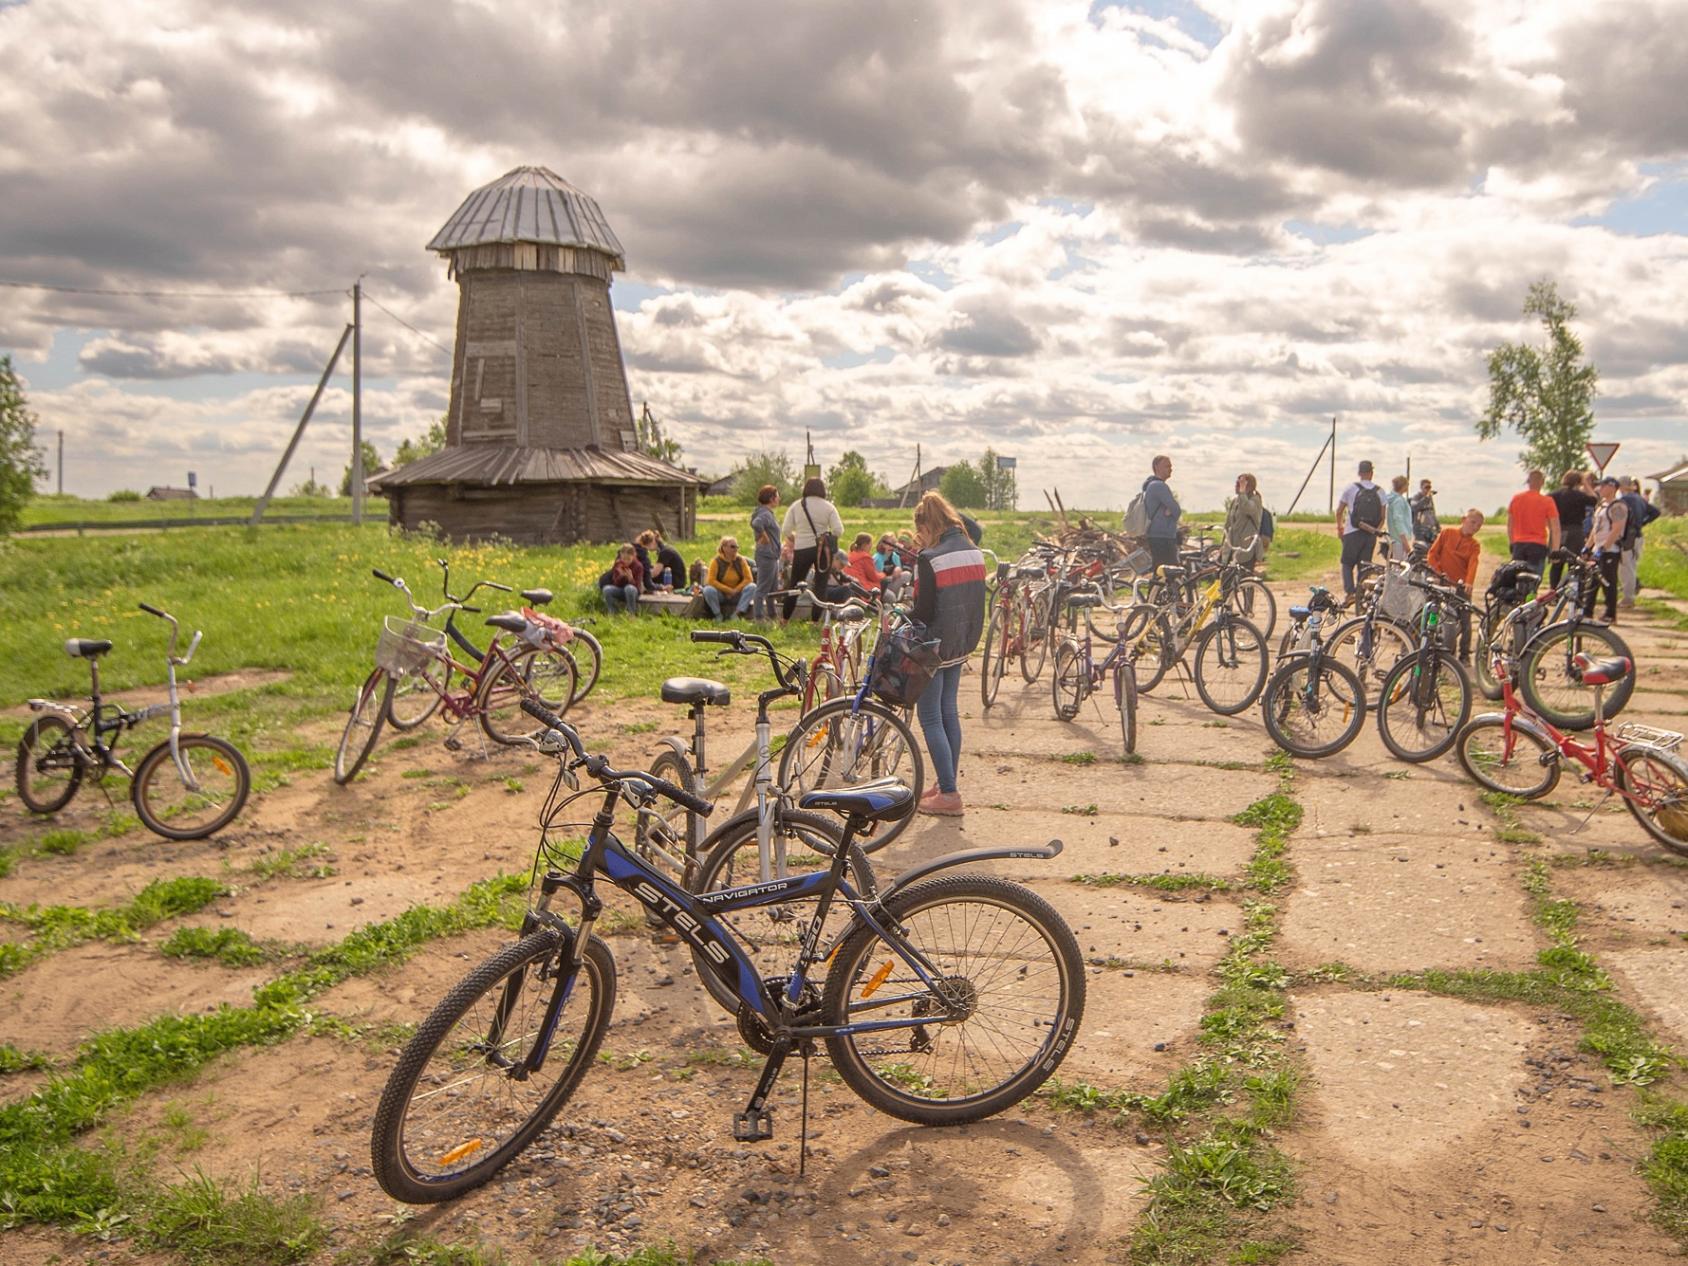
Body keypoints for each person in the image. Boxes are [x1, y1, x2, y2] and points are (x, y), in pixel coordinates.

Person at [909, 492, 986, 816]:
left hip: (935, 644)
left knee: (929, 716)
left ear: (928, 524)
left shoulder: (931, 557)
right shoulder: (973, 551)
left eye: (920, 531)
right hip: (962, 640)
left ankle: (950, 794)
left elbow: (924, 611)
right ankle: (945, 782)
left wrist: (909, 623)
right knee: (949, 712)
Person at [781, 477, 844, 622]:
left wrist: (795, 539)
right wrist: (825, 536)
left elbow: (786, 529)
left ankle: (785, 618)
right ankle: (815, 621)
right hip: (823, 551)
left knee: (795, 584)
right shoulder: (829, 507)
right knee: (821, 585)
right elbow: (838, 530)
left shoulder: (797, 505)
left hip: (802, 548)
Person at [1426, 509, 1485, 659]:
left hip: (1460, 586)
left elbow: (1473, 563)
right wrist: (1438, 573)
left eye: (1478, 526)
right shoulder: (1447, 533)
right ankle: (1439, 650)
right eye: (1473, 522)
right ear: (1463, 519)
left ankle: (1464, 654)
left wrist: (1469, 583)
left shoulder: (1474, 545)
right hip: (1442, 583)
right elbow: (1432, 554)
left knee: (1465, 620)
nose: (1475, 527)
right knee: (1437, 616)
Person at [1335, 460, 1384, 600]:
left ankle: (1350, 592)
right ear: (1371, 473)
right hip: (1370, 535)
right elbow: (1382, 516)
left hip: (1351, 532)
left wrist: (1340, 527)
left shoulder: (1350, 488)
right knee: (1364, 567)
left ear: (1359, 473)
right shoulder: (1379, 491)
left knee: (1347, 563)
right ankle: (1361, 595)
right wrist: (1375, 531)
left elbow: (1339, 511)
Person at [1583, 477, 1628, 625]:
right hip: (1598, 549)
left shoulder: (1618, 506)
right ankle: (1587, 611)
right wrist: (1588, 547)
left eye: (1602, 486)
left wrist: (1604, 547)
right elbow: (1595, 529)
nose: (1599, 489)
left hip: (1610, 551)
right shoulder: (1601, 506)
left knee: (1608, 582)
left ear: (1612, 487)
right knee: (1593, 581)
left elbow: (1617, 529)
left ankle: (1611, 613)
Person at [1506, 468, 1560, 576]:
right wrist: (1555, 551)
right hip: (1537, 546)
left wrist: (1512, 543)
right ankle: (1531, 593)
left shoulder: (1516, 499)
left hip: (1519, 545)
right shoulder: (1547, 501)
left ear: (1528, 482)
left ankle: (1519, 593)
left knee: (1517, 580)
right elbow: (1555, 528)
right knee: (1533, 580)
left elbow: (1510, 525)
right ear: (1542, 482)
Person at [1618, 475, 1661, 609]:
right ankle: (1629, 594)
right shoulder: (1639, 499)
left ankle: (1628, 598)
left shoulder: (1624, 500)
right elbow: (1655, 511)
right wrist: (1643, 522)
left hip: (1628, 537)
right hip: (1638, 535)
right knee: (1632, 566)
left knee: (1626, 567)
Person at [1548, 470, 1596, 589]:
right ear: (1578, 482)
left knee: (1556, 563)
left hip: (1558, 530)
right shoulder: (1580, 496)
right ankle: (1573, 589)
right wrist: (1585, 483)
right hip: (1575, 531)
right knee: (1574, 563)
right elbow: (1594, 499)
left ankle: (1554, 590)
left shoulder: (1553, 495)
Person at [702, 536, 757, 619]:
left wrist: (735, 591)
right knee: (708, 590)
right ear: (724, 548)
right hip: (721, 594)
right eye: (732, 547)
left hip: (737, 594)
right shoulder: (716, 561)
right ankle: (717, 614)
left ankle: (737, 614)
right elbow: (711, 580)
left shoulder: (741, 560)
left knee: (752, 587)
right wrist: (728, 590)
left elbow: (749, 579)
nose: (735, 549)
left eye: (737, 547)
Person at [1142, 454, 1181, 570]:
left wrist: (1171, 509)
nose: (1170, 469)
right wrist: (1171, 510)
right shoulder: (1159, 486)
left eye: (1171, 466)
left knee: (1160, 571)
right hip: (1163, 536)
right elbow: (1177, 510)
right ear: (1157, 467)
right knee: (1169, 571)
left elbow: (1173, 509)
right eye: (1167, 466)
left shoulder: (1150, 485)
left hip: (1157, 534)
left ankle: (1155, 588)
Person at [749, 485, 781, 620]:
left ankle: (772, 615)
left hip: (771, 555)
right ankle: (759, 617)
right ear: (771, 498)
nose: (779, 498)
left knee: (772, 588)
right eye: (777, 496)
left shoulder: (763, 512)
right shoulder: (765, 514)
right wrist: (764, 536)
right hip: (767, 555)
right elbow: (756, 523)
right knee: (762, 588)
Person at [1224, 473, 1265, 566]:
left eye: (1239, 484)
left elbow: (1247, 508)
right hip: (1232, 547)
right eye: (1237, 483)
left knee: (1243, 576)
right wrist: (1223, 544)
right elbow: (1228, 525)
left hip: (1246, 549)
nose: (1236, 486)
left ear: (1249, 487)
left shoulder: (1255, 500)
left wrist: (1242, 492)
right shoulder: (1235, 501)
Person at [598, 544, 644, 616]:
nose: (625, 561)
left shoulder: (638, 566)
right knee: (607, 589)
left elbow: (637, 588)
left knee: (629, 588)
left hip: (633, 592)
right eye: (623, 559)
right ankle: (613, 613)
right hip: (621, 590)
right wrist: (621, 576)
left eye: (628, 559)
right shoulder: (618, 564)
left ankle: (631, 614)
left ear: (633, 556)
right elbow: (615, 583)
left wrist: (630, 579)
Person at [1384, 475, 1414, 559]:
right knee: (1400, 566)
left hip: (1395, 538)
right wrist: (1405, 541)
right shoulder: (1399, 501)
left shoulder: (1393, 499)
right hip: (1399, 540)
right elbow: (1398, 521)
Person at [1410, 479, 1439, 545]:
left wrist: (1437, 525)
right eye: (1426, 487)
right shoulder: (1416, 497)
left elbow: (1432, 511)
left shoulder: (1430, 498)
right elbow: (1415, 507)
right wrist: (1425, 498)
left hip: (1430, 528)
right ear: (1421, 487)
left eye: (1429, 487)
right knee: (1421, 547)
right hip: (1420, 528)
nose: (1428, 489)